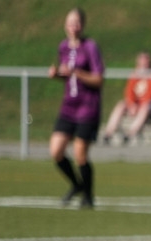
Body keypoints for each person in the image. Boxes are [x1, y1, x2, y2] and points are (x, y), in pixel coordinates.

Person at [49, 7, 103, 209]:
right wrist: (57, 75)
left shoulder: (90, 47)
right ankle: (77, 185)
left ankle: (88, 197)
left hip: (87, 108)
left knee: (80, 153)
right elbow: (67, 76)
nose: (74, 27)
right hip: (68, 107)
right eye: (70, 23)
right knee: (56, 151)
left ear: (83, 25)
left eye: (77, 23)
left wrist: (77, 72)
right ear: (65, 25)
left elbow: (98, 79)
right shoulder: (63, 47)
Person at [101, 51, 151, 145]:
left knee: (145, 107)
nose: (143, 62)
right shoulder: (135, 73)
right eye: (141, 60)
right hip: (136, 102)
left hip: (149, 103)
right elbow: (129, 91)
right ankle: (108, 133)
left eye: (145, 59)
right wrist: (132, 104)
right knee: (121, 105)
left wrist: (140, 104)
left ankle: (130, 134)